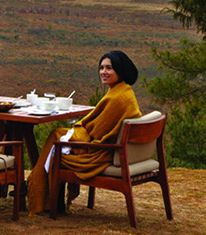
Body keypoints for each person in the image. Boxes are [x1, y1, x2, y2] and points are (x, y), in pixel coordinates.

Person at [27, 49, 141, 215]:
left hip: (100, 153)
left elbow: (95, 131)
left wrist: (77, 130)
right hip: (113, 149)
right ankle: (41, 193)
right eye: (101, 68)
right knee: (57, 136)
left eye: (109, 68)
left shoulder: (117, 98)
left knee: (55, 140)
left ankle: (37, 193)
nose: (103, 72)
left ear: (120, 70)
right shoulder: (123, 92)